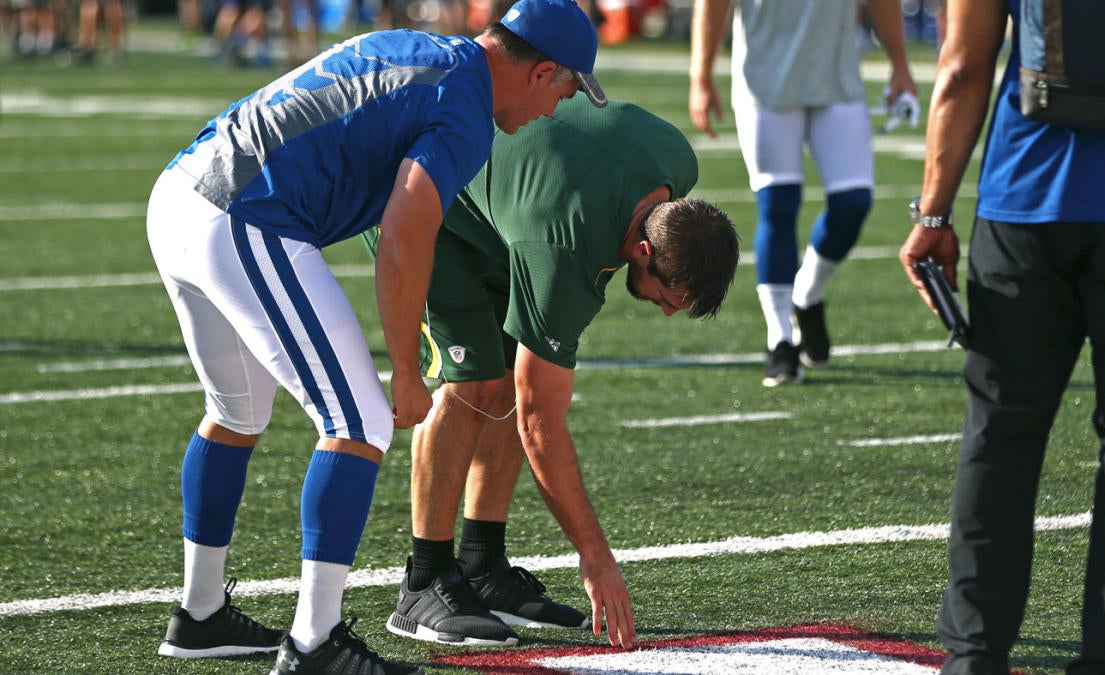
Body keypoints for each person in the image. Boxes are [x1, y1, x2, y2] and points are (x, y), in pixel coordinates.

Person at [145, 1, 607, 672]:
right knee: (359, 420)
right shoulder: (467, 103)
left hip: (183, 191)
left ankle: (200, 614)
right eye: (566, 87)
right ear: (542, 71)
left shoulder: (420, 47)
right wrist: (407, 368)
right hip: (243, 213)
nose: (558, 107)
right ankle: (314, 643)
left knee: (237, 411)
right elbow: (407, 226)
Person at [361, 96, 740, 649]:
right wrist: (596, 558)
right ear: (641, 248)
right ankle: (423, 582)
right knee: (471, 383)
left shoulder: (675, 164)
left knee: (515, 369)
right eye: (668, 297)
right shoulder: (566, 241)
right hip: (423, 201)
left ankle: (482, 565)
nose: (663, 310)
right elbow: (539, 422)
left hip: (500, 214)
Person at [898, 1, 1105, 673]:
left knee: (1000, 431)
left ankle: (976, 651)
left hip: (1027, 199)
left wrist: (934, 211)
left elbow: (962, 67)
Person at [688, 0, 917, 386]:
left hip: (837, 80)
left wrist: (901, 65)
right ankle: (779, 338)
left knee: (853, 203)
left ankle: (806, 295)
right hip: (765, 83)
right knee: (778, 204)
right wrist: (701, 76)